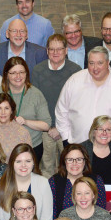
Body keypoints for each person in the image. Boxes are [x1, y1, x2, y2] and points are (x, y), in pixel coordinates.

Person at [56, 46, 111, 146]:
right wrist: (66, 138)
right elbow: (62, 110)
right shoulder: (74, 81)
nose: (95, 68)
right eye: (91, 63)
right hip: (78, 147)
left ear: (108, 63)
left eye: (100, 63)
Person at [30, 34, 81, 178]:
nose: (55, 53)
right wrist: (49, 127)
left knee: (68, 167)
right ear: (47, 51)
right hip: (46, 130)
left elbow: (77, 103)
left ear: (66, 50)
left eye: (59, 49)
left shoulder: (75, 71)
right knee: (46, 167)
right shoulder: (38, 70)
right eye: (52, 49)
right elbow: (36, 102)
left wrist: (60, 127)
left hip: (68, 128)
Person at [0, 57, 51, 163]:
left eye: (21, 72)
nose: (18, 76)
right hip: (1, 149)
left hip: (31, 147)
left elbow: (46, 125)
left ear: (26, 74)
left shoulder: (36, 94)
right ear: (6, 75)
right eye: (13, 73)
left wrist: (26, 122)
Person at [0, 143, 52, 220]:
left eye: (28, 161)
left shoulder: (43, 183)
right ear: (12, 163)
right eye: (18, 161)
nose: (23, 165)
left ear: (34, 162)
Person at [49, 143, 107, 218]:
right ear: (64, 162)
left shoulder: (96, 180)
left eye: (79, 159)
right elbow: (51, 213)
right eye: (70, 160)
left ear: (85, 161)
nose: (74, 163)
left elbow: (101, 210)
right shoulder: (54, 182)